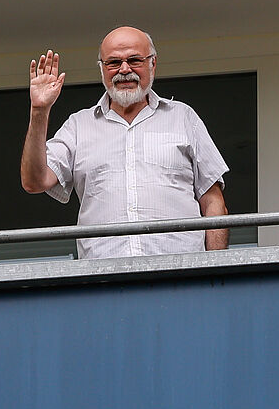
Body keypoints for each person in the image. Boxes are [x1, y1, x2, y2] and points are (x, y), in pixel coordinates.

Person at [20, 26, 230, 259]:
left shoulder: (183, 117)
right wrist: (39, 111)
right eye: (113, 63)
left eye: (134, 60)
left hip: (181, 276)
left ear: (153, 64)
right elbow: (35, 181)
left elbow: (213, 203)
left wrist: (215, 270)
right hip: (104, 281)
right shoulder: (79, 125)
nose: (124, 69)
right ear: (101, 69)